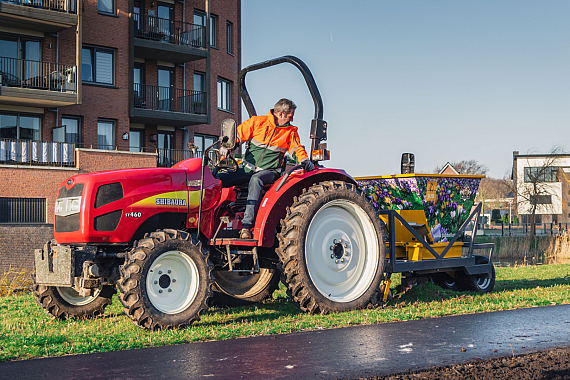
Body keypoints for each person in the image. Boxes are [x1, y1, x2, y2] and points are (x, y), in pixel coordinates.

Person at [217, 98, 315, 239]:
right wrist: (227, 146)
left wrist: (304, 160)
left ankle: (246, 227)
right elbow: (237, 135)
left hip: (269, 172)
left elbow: (296, 148)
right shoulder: (257, 122)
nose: (292, 119)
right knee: (219, 178)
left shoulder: (290, 131)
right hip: (247, 169)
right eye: (290, 116)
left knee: (256, 179)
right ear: (280, 114)